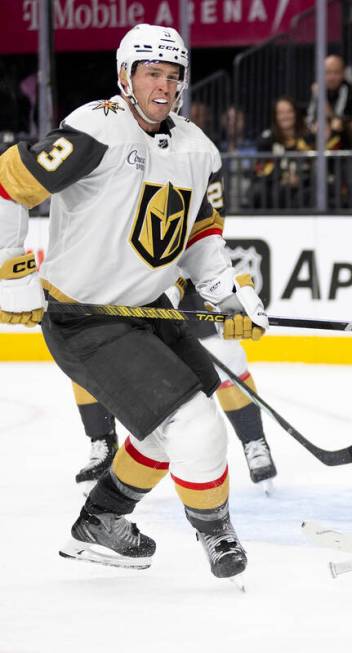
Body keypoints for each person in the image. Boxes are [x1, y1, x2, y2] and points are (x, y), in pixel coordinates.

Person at [0, 23, 268, 579]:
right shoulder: (97, 128)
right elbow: (7, 183)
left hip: (152, 311)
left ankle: (102, 520)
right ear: (125, 76)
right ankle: (216, 534)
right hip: (85, 319)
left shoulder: (198, 148)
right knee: (197, 429)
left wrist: (226, 294)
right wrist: (9, 269)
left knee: (166, 434)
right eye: (152, 73)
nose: (164, 86)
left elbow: (199, 235)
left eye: (174, 75)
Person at [72, 281, 278, 492]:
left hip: (190, 284)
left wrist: (175, 285)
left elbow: (197, 253)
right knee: (91, 356)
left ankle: (254, 441)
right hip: (130, 287)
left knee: (226, 355)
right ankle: (103, 443)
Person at [253, 96, 313, 209]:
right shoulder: (266, 140)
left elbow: (315, 164)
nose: (285, 116)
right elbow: (262, 170)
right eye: (281, 113)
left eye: (289, 112)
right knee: (262, 191)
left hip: (305, 185)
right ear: (275, 116)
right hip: (274, 186)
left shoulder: (308, 138)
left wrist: (300, 179)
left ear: (296, 114)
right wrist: (283, 177)